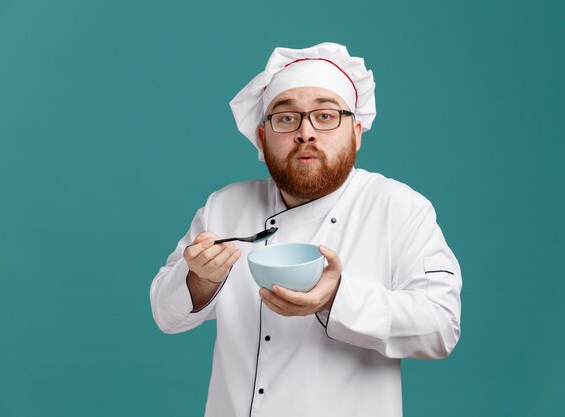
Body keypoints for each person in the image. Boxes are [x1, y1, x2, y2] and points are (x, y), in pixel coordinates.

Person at [150, 42, 462, 417]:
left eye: (326, 116)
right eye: (286, 118)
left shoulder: (397, 207)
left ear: (356, 131)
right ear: (263, 139)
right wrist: (199, 280)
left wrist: (337, 299)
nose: (306, 133)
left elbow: (441, 327)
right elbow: (165, 314)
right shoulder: (225, 207)